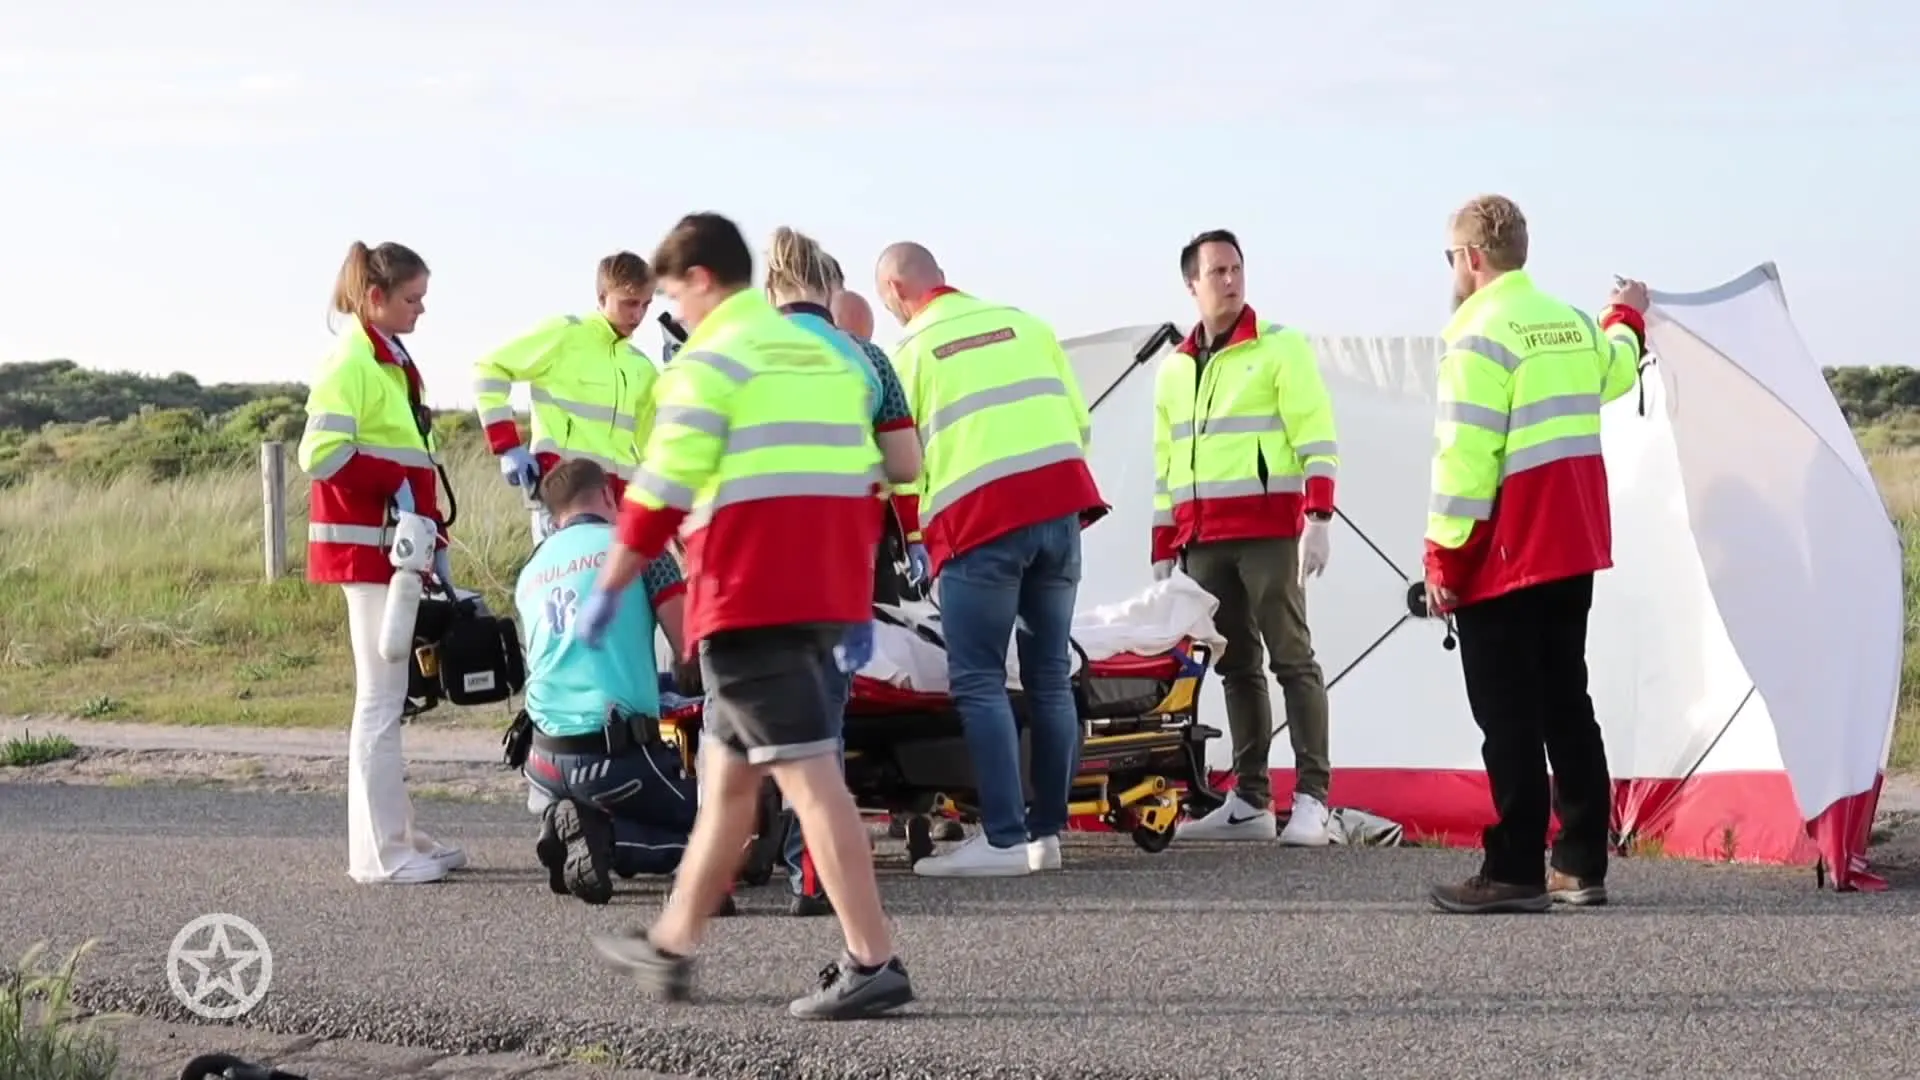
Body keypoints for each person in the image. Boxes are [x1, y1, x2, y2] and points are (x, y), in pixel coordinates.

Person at [582, 211, 914, 1021]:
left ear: (701, 281)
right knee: (730, 784)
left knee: (810, 778)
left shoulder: (707, 362)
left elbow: (661, 491)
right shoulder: (829, 354)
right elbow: (879, 471)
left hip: (753, 598)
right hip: (824, 595)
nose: (675, 312)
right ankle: (672, 944)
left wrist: (610, 585)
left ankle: (874, 961)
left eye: (672, 293)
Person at [1421, 194, 1648, 914]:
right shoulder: (1573, 323)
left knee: (1506, 714)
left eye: (1452, 258)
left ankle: (1513, 867)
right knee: (1565, 702)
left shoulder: (1474, 335)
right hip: (1572, 542)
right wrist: (1628, 315)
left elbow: (1463, 462)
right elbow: (1617, 370)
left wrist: (1442, 563)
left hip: (1505, 552)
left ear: (1471, 259)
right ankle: (1580, 863)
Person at [874, 241, 1106, 878]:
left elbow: (904, 463)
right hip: (1062, 511)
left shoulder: (911, 352)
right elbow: (1079, 426)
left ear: (895, 291)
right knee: (1050, 676)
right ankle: (1046, 836)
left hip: (983, 526)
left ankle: (1002, 840)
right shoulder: (1027, 326)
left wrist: (915, 534)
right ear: (943, 279)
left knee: (977, 678)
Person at [1154, 229, 1342, 847]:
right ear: (1192, 284)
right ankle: (1251, 800)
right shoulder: (1175, 369)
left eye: (1236, 269)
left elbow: (1316, 432)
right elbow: (1167, 463)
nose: (1230, 280)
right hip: (1203, 539)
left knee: (1293, 657)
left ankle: (1312, 798)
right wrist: (1164, 543)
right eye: (1217, 272)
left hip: (1266, 532)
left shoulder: (1280, 348)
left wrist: (1318, 518)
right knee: (1235, 664)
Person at [761, 226, 924, 917]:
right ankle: (813, 870)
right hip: (833, 556)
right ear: (832, 290)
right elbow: (906, 464)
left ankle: (729, 865)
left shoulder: (733, 355)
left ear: (769, 291)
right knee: (821, 713)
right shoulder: (865, 358)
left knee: (745, 712)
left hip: (752, 554)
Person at [297, 240, 465, 885]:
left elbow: (409, 463)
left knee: (391, 700)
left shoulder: (387, 360)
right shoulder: (352, 362)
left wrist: (431, 537)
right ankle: (379, 856)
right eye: (412, 298)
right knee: (379, 700)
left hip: (398, 552)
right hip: (369, 553)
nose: (421, 310)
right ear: (375, 298)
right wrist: (397, 483)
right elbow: (322, 454)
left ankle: (400, 837)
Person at [516, 458, 701, 905]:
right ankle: (605, 836)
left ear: (553, 513)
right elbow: (688, 648)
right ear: (606, 496)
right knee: (721, 831)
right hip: (614, 756)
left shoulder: (530, 569)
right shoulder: (641, 550)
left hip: (543, 758)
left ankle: (569, 821)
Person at [471, 252, 662, 541]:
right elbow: (490, 368)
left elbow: (653, 447)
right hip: (562, 498)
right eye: (629, 303)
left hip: (617, 505)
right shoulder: (565, 335)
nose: (638, 315)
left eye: (646, 305)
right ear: (602, 296)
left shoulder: (642, 367)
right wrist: (506, 445)